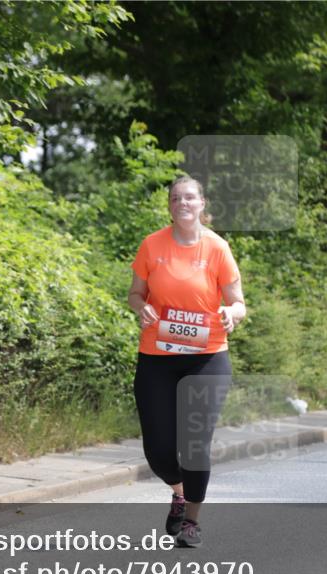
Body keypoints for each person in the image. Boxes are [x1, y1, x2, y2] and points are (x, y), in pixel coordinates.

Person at [127, 175, 246, 547]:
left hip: (206, 357)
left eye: (189, 197)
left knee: (195, 445)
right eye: (176, 197)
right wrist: (142, 307)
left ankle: (192, 520)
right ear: (170, 205)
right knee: (159, 452)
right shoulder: (152, 245)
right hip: (157, 357)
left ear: (201, 204)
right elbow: (134, 293)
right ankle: (178, 491)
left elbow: (238, 301)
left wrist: (232, 314)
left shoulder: (217, 248)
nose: (182, 203)